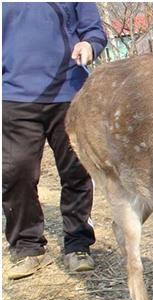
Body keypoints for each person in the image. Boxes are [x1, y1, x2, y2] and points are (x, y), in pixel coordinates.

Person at [3, 3, 107, 279]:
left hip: (68, 93)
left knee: (76, 171)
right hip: (14, 96)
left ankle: (78, 243)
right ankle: (27, 247)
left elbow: (95, 31)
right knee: (17, 173)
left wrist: (88, 45)